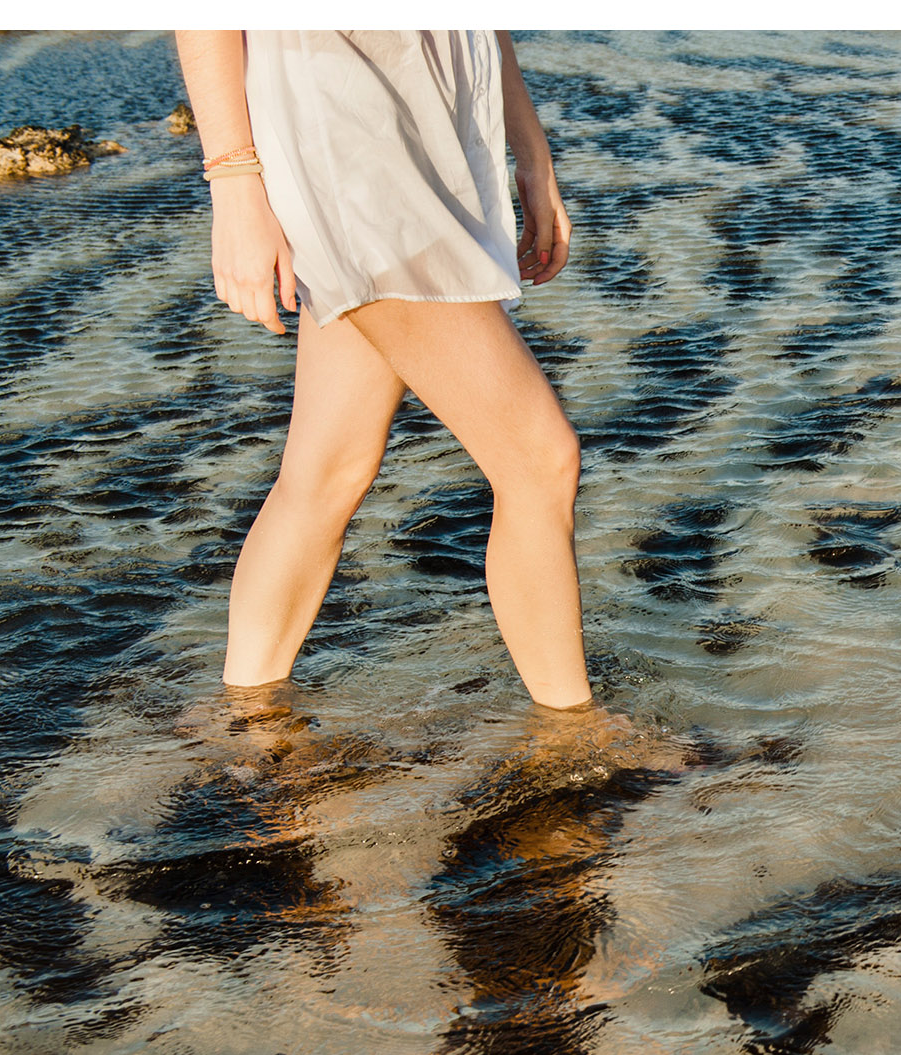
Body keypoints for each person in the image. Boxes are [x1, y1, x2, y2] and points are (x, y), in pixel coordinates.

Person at [174, 30, 594, 710]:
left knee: (326, 475)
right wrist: (232, 180)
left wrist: (532, 150)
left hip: (435, 121)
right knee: (540, 460)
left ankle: (242, 726)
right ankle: (574, 737)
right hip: (343, 129)